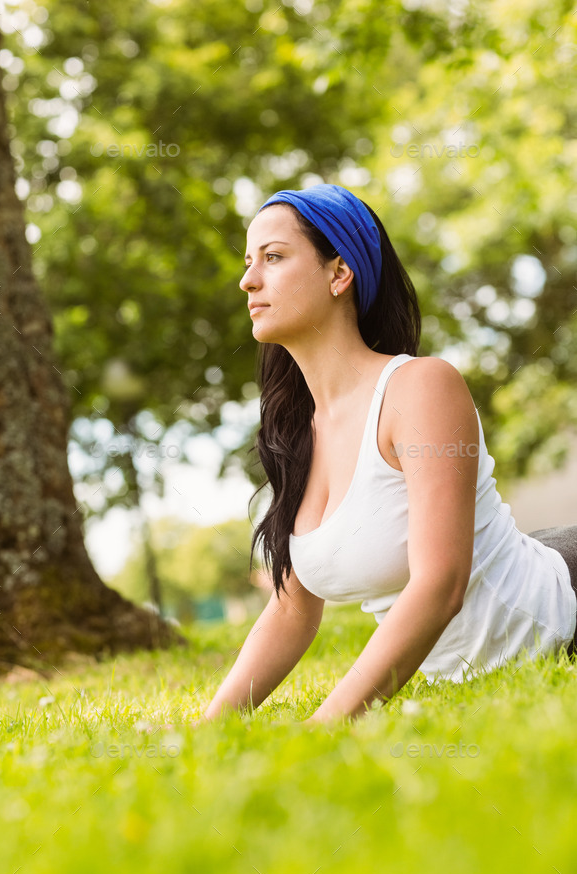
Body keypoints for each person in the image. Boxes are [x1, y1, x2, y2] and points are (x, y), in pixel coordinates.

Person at [198, 183, 577, 726]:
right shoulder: (293, 433)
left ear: (339, 273)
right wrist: (210, 731)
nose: (248, 279)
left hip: (564, 606)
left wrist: (323, 727)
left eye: (274, 257)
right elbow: (291, 610)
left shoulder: (420, 388)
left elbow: (440, 585)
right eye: (248, 262)